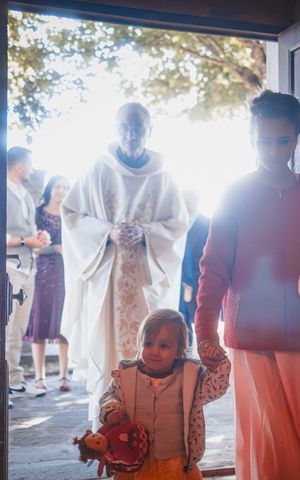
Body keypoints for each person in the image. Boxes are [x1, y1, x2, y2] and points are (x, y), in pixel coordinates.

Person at [195, 91, 300, 480]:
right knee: (268, 439)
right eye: (264, 140)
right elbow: (213, 266)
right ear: (250, 136)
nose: (274, 150)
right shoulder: (233, 193)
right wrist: (205, 327)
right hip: (251, 332)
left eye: (284, 141)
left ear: (297, 137)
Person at [61, 102, 190, 426]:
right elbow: (72, 215)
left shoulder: (163, 176)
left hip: (147, 281)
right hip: (107, 284)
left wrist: (147, 233)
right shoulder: (97, 170)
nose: (131, 134)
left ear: (150, 129)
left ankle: (151, 429)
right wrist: (107, 232)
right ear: (115, 128)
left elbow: (178, 224)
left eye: (138, 127)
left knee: (153, 351)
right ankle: (108, 432)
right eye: (125, 127)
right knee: (108, 356)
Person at [98, 308, 230, 479]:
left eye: (164, 346)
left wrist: (218, 363)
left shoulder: (189, 378)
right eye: (148, 343)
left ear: (179, 350)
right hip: (135, 462)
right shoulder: (126, 376)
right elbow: (110, 396)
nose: (154, 351)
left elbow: (215, 388)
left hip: (176, 462)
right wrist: (112, 409)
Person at [6, 146, 51, 401]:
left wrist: (40, 237)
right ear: (19, 166)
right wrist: (27, 241)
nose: (33, 169)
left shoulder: (25, 194)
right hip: (9, 266)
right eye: (30, 165)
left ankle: (15, 380)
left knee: (19, 328)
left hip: (28, 268)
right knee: (5, 326)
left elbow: (29, 231)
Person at [25, 175, 71, 392]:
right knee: (40, 323)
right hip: (42, 273)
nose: (61, 191)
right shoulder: (38, 213)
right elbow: (33, 245)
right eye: (57, 186)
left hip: (66, 274)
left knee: (65, 323)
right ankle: (39, 377)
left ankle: (64, 376)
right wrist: (55, 248)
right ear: (50, 189)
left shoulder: (70, 214)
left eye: (65, 187)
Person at [178, 191, 210, 347]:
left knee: (200, 321)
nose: (187, 204)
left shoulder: (208, 224)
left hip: (200, 280)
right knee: (181, 321)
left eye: (190, 200)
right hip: (181, 281)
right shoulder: (178, 224)